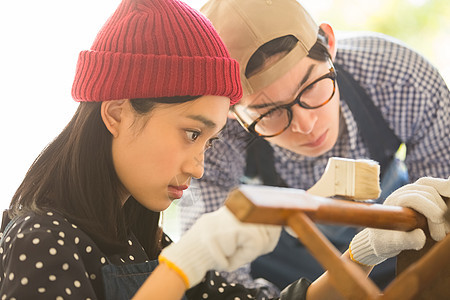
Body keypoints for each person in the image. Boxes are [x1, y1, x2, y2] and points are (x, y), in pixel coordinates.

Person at [179, 0, 450, 292]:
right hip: (284, 277)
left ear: (329, 44)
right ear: (233, 112)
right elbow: (217, 279)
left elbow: (441, 225)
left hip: (395, 241)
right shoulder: (214, 138)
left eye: (310, 87)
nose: (305, 124)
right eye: (269, 112)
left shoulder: (400, 79)